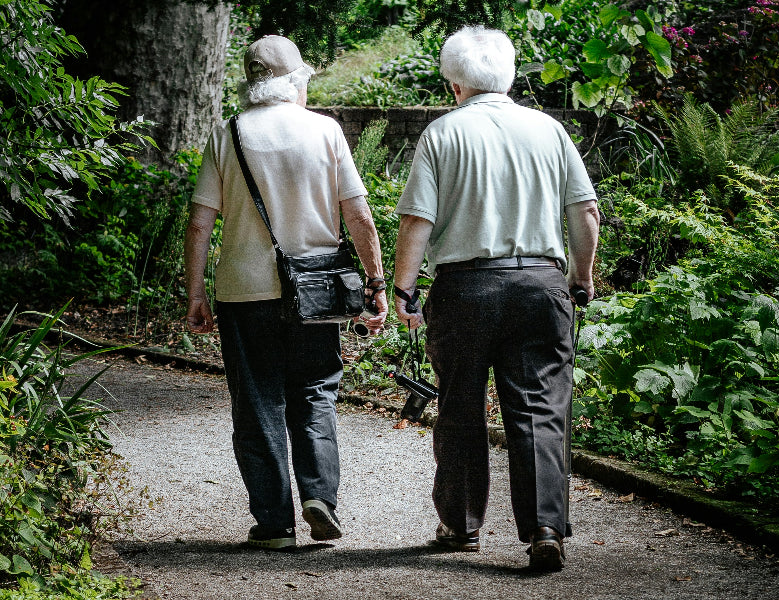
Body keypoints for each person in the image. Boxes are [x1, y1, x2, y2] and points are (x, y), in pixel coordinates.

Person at [393, 25, 599, 572]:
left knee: (459, 404)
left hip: (465, 289)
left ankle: (460, 526)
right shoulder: (548, 130)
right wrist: (581, 276)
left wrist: (404, 289)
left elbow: (418, 220)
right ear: (508, 76)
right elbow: (585, 211)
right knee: (539, 409)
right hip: (539, 284)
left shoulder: (442, 134)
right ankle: (545, 529)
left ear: (454, 84)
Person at [184, 35, 388, 551]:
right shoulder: (325, 131)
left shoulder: (226, 134)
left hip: (243, 292)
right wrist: (376, 283)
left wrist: (195, 293)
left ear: (252, 83)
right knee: (316, 392)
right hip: (316, 292)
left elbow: (199, 223)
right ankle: (320, 496)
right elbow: (358, 215)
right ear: (295, 80)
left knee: (256, 403)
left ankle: (274, 523)